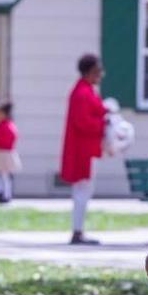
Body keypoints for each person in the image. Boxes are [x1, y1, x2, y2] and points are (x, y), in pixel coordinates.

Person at [60, 54, 108, 245]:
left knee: (84, 191)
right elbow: (83, 122)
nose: (100, 75)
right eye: (97, 71)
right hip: (82, 151)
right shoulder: (82, 93)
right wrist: (104, 122)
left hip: (86, 149)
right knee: (82, 191)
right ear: (88, 72)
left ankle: (79, 230)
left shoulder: (86, 90)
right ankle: (77, 231)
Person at [0, 103, 21, 204]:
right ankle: (7, 195)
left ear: (3, 114)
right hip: (10, 153)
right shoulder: (12, 126)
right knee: (6, 175)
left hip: (0, 153)